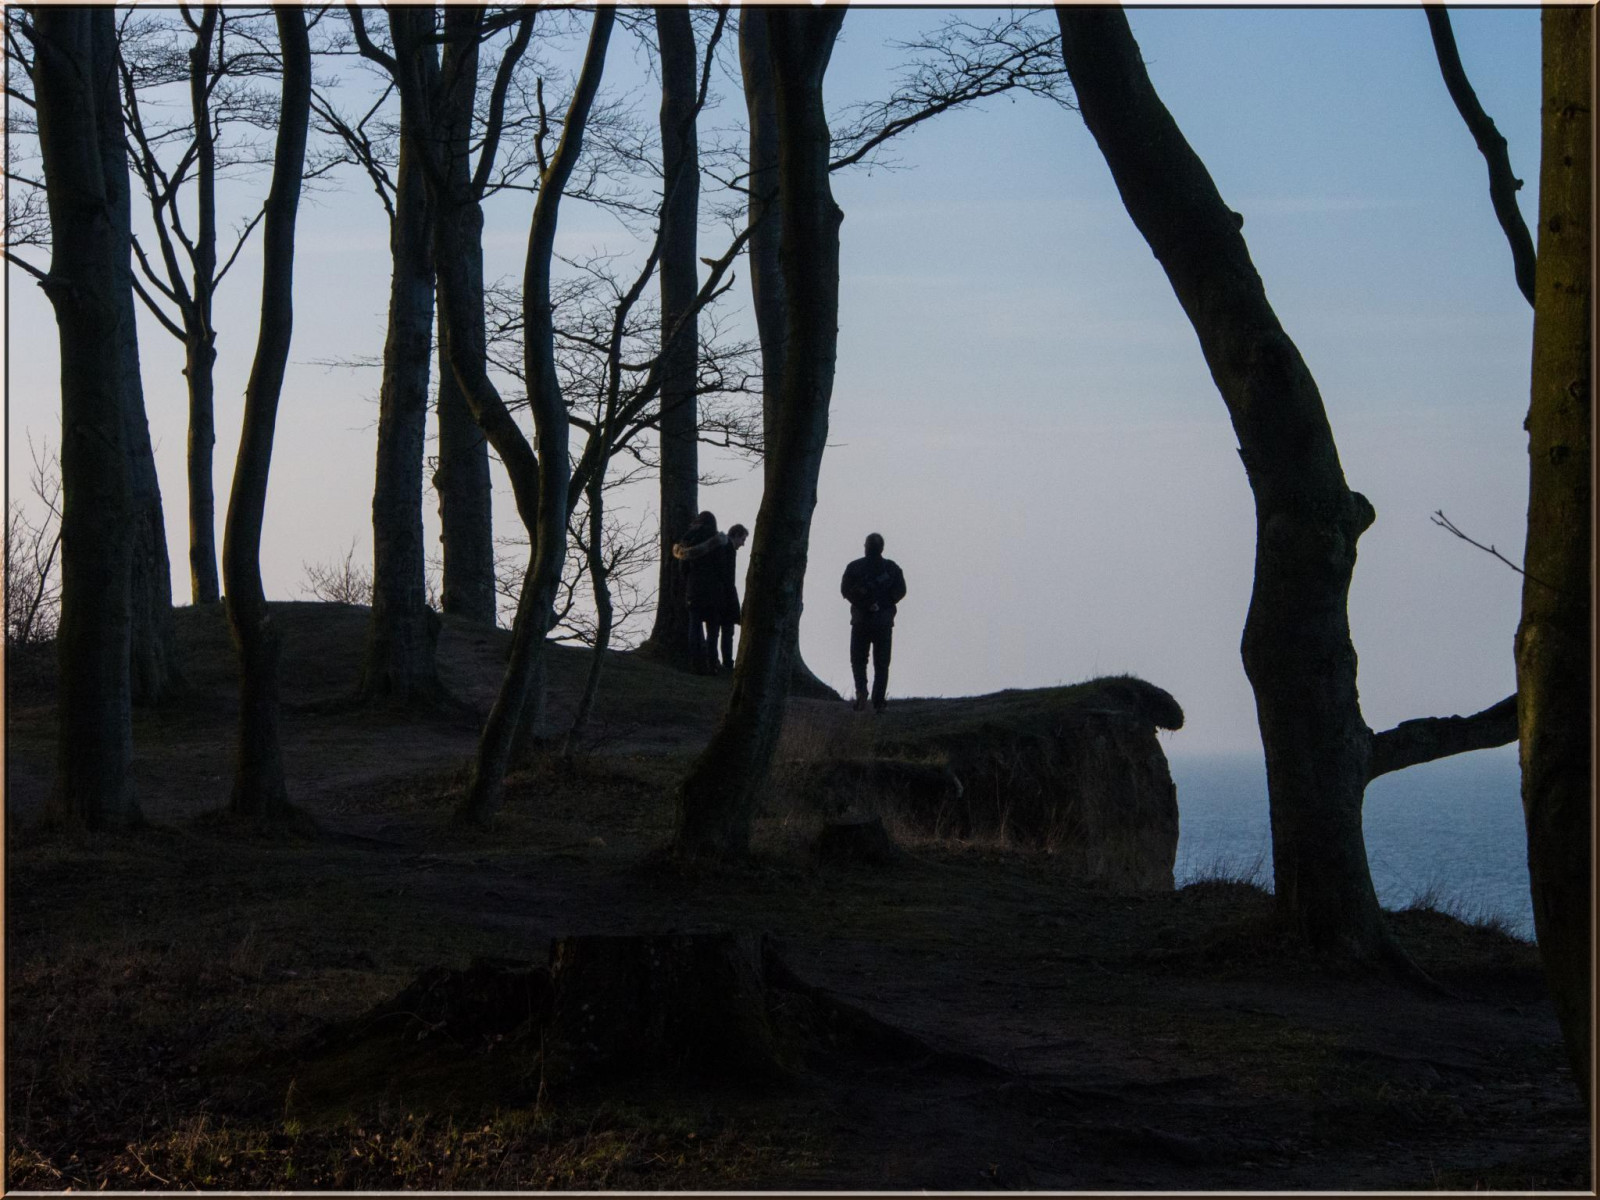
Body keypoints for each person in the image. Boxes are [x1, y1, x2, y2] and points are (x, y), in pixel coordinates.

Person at [839, 532, 907, 712]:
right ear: (882, 548)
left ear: (865, 547)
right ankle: (878, 701)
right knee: (882, 663)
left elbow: (845, 591)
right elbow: (900, 591)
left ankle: (862, 693)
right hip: (883, 623)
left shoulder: (854, 567)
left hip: (861, 621)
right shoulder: (892, 569)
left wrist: (865, 604)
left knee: (859, 660)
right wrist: (883, 604)